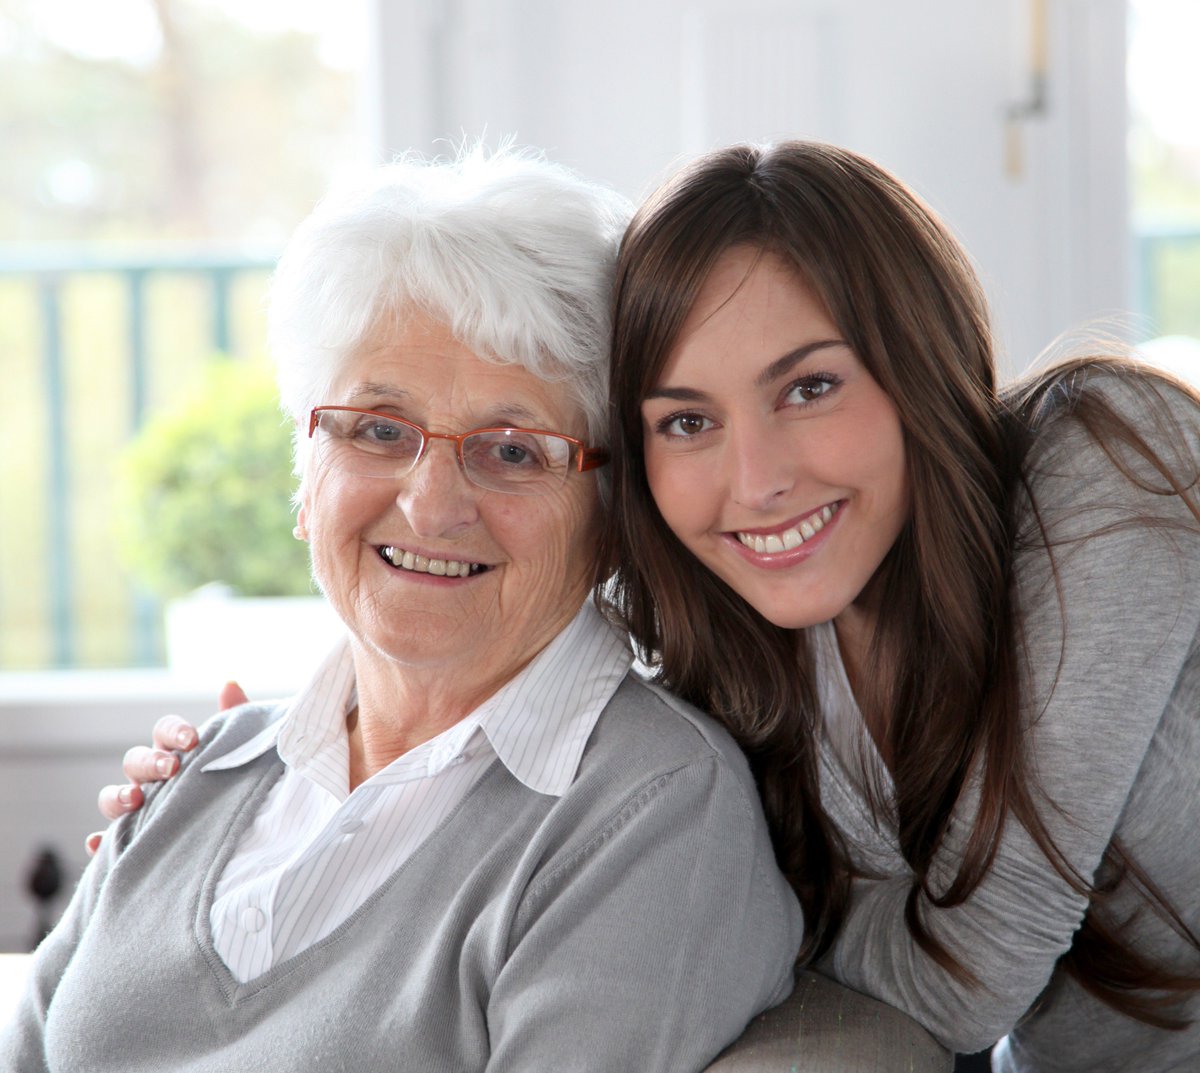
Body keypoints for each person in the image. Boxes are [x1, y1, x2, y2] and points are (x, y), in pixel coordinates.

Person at [2, 148, 806, 1073]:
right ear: (307, 480)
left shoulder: (652, 815)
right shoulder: (201, 772)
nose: (432, 505)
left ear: (615, 514)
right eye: (380, 429)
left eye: (513, 450)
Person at [599, 141, 1200, 1071]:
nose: (755, 483)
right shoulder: (752, 667)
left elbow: (971, 984)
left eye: (809, 387)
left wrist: (792, 917)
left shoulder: (1109, 459)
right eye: (688, 421)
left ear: (916, 360)